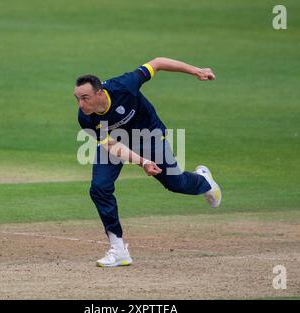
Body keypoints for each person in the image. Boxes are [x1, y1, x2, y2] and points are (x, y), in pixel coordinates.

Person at [74, 57, 222, 267]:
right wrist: (143, 162)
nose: (81, 104)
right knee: (99, 188)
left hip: (149, 136)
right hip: (118, 143)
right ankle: (118, 250)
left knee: (175, 183)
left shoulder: (124, 85)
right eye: (77, 99)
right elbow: (110, 146)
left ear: (99, 93)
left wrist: (196, 70)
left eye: (85, 98)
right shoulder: (86, 117)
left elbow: (159, 62)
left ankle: (204, 182)